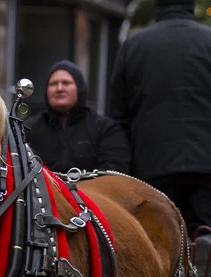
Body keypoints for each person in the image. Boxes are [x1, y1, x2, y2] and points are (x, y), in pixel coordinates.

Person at [108, 0, 211, 236]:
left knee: (159, 242)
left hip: (152, 165)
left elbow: (117, 116)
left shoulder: (134, 45)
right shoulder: (208, 40)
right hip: (206, 165)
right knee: (204, 235)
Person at [25, 60, 131, 175]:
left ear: (79, 88)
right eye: (53, 84)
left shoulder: (106, 129)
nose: (59, 88)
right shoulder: (29, 129)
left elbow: (115, 172)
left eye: (66, 83)